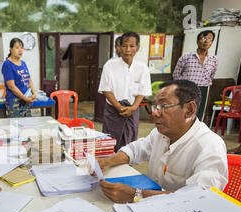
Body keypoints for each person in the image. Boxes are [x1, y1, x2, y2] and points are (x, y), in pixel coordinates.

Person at [96, 80, 228, 204]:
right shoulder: (161, 134)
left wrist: (136, 195)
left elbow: (198, 198)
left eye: (164, 106)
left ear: (189, 109)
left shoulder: (210, 146)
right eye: (155, 106)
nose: (156, 113)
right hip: (155, 207)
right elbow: (135, 150)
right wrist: (108, 161)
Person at [98, 32, 152, 152]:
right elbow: (106, 89)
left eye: (131, 46)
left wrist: (133, 108)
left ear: (137, 48)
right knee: (109, 143)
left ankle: (126, 167)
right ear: (119, 47)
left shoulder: (142, 68)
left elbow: (142, 91)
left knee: (130, 142)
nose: (128, 50)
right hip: (113, 111)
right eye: (124, 46)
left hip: (132, 111)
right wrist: (118, 106)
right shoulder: (110, 65)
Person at [173, 30, 218, 122]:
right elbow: (176, 75)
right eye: (203, 38)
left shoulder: (213, 59)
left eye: (209, 39)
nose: (206, 41)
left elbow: (212, 75)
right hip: (187, 89)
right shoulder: (186, 57)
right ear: (198, 41)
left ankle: (195, 135)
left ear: (212, 42)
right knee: (184, 113)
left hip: (203, 90)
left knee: (199, 114)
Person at [1, 38, 37, 117]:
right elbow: (11, 86)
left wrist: (34, 93)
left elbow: (29, 80)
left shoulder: (23, 63)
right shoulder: (7, 64)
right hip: (15, 101)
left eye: (21, 48)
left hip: (26, 99)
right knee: (17, 127)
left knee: (28, 124)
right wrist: (25, 98)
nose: (20, 50)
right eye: (17, 48)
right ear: (11, 49)